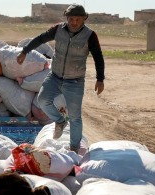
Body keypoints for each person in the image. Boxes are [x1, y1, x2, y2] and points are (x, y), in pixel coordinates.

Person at [17, 4, 105, 153]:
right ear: (67, 18)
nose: (74, 22)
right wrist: (25, 51)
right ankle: (59, 121)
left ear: (84, 19)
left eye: (78, 19)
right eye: (71, 19)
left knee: (75, 116)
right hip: (55, 76)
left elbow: (98, 57)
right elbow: (41, 38)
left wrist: (100, 78)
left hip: (75, 81)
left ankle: (74, 148)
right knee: (43, 100)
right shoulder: (58, 29)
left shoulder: (90, 35)